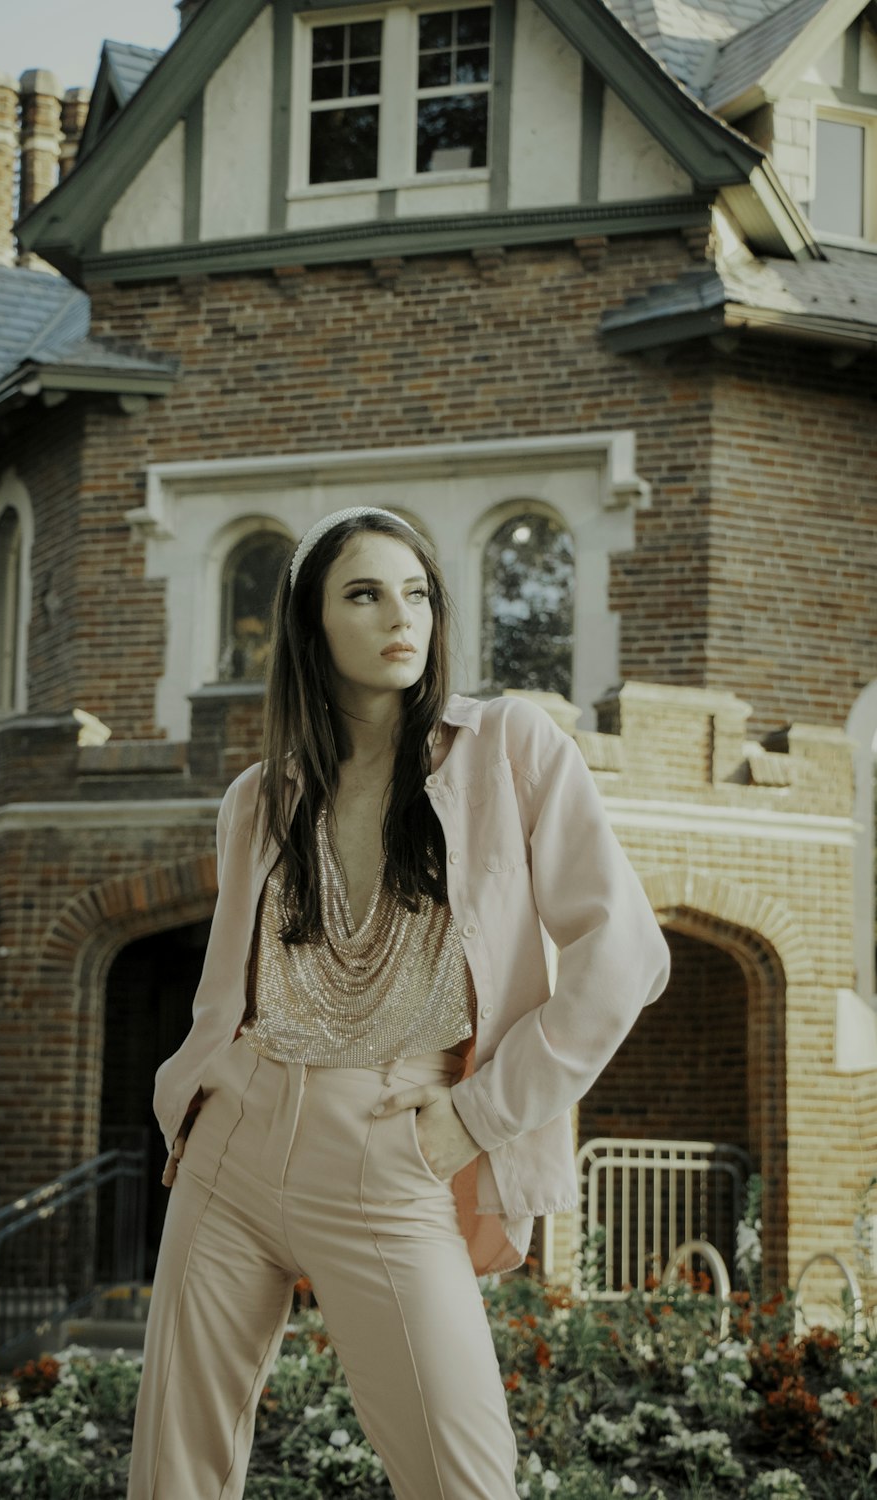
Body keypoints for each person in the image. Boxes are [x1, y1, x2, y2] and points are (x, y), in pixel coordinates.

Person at [127, 506, 671, 1500]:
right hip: (230, 1152)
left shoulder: (509, 747)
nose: (400, 615)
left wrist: (477, 1116)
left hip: (394, 1150)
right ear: (311, 626)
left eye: (416, 592)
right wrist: (196, 1102)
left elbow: (624, 953)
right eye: (365, 593)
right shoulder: (258, 799)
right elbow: (230, 990)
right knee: (176, 1477)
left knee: (464, 1479)